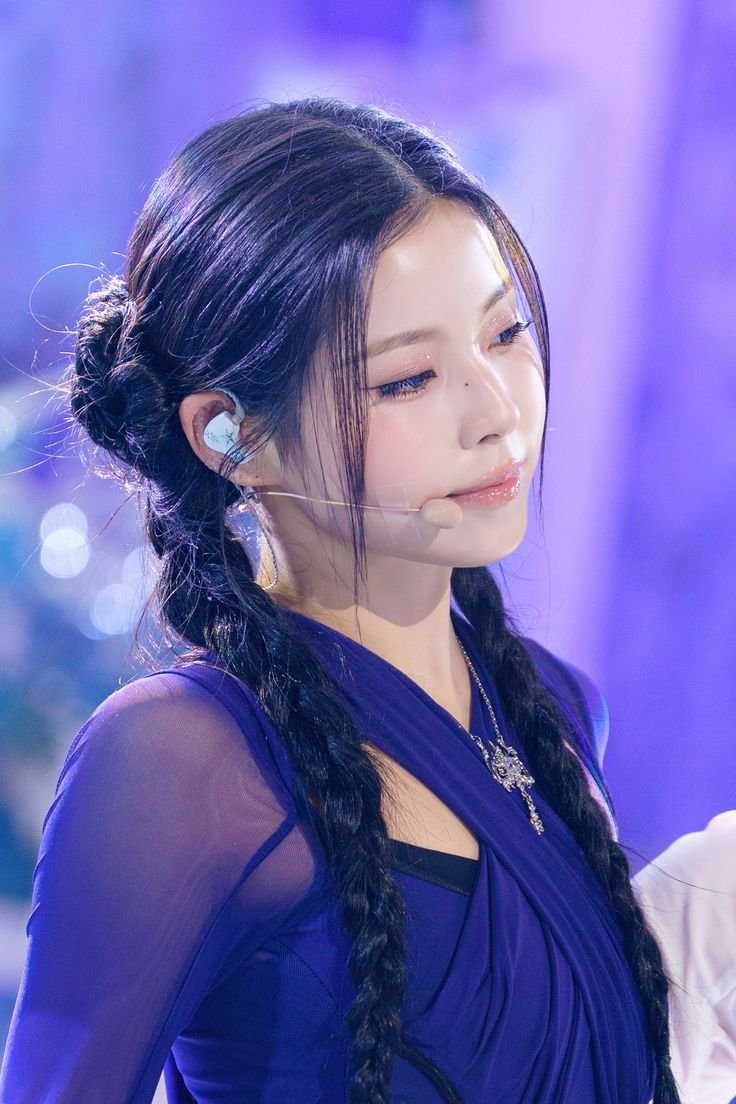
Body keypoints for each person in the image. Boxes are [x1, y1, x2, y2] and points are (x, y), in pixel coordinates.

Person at [0, 97, 681, 1103]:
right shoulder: (183, 759)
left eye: (505, 333)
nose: (497, 411)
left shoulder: (556, 707)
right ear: (229, 434)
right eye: (408, 380)